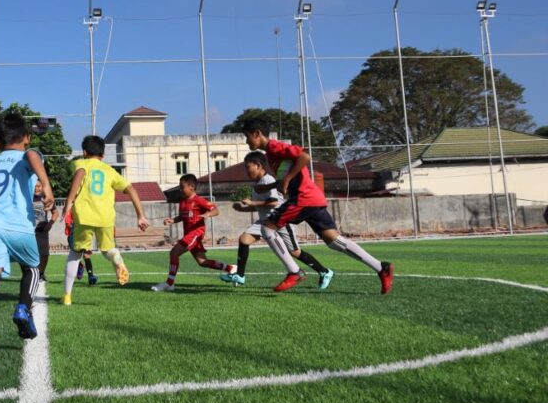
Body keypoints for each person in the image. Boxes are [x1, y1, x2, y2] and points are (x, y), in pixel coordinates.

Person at [242, 119, 393, 294]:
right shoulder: (270, 154)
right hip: (312, 198)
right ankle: (382, 267)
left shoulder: (275, 147)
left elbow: (304, 157)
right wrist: (269, 186)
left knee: (267, 229)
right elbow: (287, 177)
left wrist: (287, 180)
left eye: (247, 137)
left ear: (257, 134)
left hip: (302, 198)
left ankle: (294, 272)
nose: (247, 142)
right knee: (334, 241)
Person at [0, 112, 54, 371]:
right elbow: (30, 156)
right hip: (19, 225)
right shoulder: (29, 154)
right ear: (27, 138)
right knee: (32, 268)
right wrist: (46, 183)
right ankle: (22, 309)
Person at [220, 151, 334, 289]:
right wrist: (243, 209)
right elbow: (262, 207)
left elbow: (273, 202)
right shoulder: (258, 184)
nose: (246, 170)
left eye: (248, 166)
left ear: (258, 165)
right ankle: (240, 275)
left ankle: (324, 271)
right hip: (265, 222)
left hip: (279, 221)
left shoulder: (268, 180)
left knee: (295, 252)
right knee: (244, 239)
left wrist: (252, 203)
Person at [61, 135, 149, 306]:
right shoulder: (109, 170)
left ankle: (67, 296)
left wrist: (69, 202)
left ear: (84, 152)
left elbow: (79, 174)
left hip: (84, 215)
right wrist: (141, 215)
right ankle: (116, 257)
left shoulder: (81, 163)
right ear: (103, 155)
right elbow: (131, 188)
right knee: (107, 249)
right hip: (105, 217)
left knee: (75, 253)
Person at [151, 174, 234, 292]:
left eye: (182, 187)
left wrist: (207, 214)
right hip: (189, 234)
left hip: (196, 233)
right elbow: (182, 217)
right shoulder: (183, 202)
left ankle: (169, 283)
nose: (180, 189)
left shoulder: (198, 200)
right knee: (202, 262)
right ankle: (230, 268)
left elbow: (216, 210)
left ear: (191, 187)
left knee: (174, 253)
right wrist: (173, 220)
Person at [62, 209, 98, 286]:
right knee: (75, 257)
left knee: (86, 255)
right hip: (73, 236)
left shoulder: (86, 209)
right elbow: (68, 224)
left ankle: (91, 276)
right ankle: (80, 265)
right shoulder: (71, 209)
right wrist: (77, 229)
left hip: (85, 235)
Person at [33, 180, 59, 283]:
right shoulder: (26, 198)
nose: (36, 188)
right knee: (30, 253)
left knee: (44, 254)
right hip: (29, 231)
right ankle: (30, 273)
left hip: (42, 230)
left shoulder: (46, 198)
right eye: (34, 186)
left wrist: (50, 224)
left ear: (43, 188)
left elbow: (55, 213)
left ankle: (41, 273)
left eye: (39, 186)